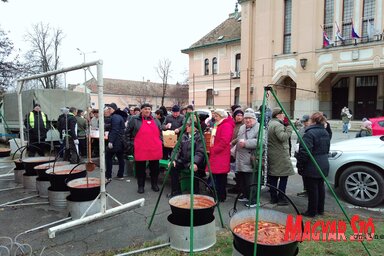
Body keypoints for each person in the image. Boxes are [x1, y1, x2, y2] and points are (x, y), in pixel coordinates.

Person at [296, 112, 330, 217]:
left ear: (313, 121)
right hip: (323, 162)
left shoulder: (310, 133)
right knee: (320, 187)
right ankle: (320, 209)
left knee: (312, 189)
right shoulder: (325, 132)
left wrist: (300, 164)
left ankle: (311, 211)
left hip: (312, 165)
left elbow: (305, 151)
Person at [126, 103, 163, 193]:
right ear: (141, 110)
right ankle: (141, 186)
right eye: (145, 109)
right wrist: (131, 145)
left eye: (149, 109)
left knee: (155, 169)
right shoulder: (134, 120)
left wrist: (160, 142)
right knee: (140, 169)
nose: (147, 111)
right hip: (140, 149)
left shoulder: (156, 120)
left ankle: (154, 184)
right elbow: (127, 134)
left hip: (154, 148)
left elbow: (160, 133)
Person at [169, 120, 205, 197]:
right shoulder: (183, 135)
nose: (187, 127)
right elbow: (177, 148)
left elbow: (200, 152)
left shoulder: (200, 137)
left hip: (193, 161)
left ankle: (195, 193)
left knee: (194, 170)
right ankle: (176, 191)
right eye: (187, 125)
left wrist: (195, 162)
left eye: (189, 125)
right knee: (173, 167)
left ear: (195, 128)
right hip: (182, 160)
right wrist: (173, 159)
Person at [267, 107, 295, 205]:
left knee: (273, 177)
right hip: (280, 155)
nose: (284, 116)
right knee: (283, 177)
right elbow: (282, 137)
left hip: (273, 154)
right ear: (278, 115)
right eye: (283, 114)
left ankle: (273, 197)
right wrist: (289, 128)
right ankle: (281, 198)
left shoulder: (270, 123)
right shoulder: (278, 125)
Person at [235, 108, 260, 207]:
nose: (247, 120)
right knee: (243, 180)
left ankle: (254, 200)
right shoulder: (242, 127)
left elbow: (261, 141)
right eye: (246, 118)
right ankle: (246, 195)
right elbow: (238, 138)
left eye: (250, 118)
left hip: (251, 158)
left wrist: (246, 143)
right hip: (241, 157)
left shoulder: (259, 127)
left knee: (251, 181)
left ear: (254, 119)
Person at [208, 109, 234, 202]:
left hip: (220, 154)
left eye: (216, 116)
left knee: (221, 177)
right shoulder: (219, 125)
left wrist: (214, 149)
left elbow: (224, 141)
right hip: (217, 154)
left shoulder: (226, 125)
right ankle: (218, 194)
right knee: (217, 176)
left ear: (222, 116)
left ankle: (221, 196)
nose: (215, 118)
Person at [104, 103, 127, 182]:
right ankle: (120, 175)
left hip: (116, 141)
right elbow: (115, 127)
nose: (108, 110)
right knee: (120, 158)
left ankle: (108, 176)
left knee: (108, 158)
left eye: (109, 109)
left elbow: (115, 129)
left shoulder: (115, 117)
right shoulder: (118, 116)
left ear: (113, 109)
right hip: (120, 141)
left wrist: (111, 141)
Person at [228, 107, 244, 194]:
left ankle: (239, 187)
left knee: (239, 170)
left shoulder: (243, 125)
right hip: (232, 149)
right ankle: (237, 186)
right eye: (238, 115)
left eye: (241, 115)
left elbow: (239, 137)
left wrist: (232, 142)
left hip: (239, 149)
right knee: (235, 169)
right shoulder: (233, 124)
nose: (239, 117)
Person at [295, 114, 311, 197]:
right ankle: (305, 189)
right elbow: (298, 142)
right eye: (303, 122)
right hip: (300, 154)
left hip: (308, 155)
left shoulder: (311, 130)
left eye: (306, 121)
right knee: (303, 173)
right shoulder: (302, 129)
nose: (305, 123)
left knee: (309, 175)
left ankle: (309, 190)